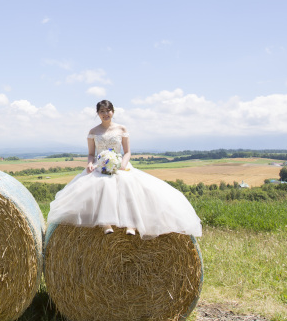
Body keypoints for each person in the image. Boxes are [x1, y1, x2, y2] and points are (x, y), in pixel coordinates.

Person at [47, 100, 202, 239]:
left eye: (108, 111)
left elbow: (127, 152)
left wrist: (122, 165)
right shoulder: (93, 132)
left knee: (128, 185)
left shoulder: (121, 129)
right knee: (101, 186)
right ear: (98, 114)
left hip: (121, 165)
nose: (105, 114)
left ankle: (132, 224)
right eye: (102, 111)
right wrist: (90, 164)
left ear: (113, 112)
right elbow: (90, 154)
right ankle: (105, 223)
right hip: (101, 166)